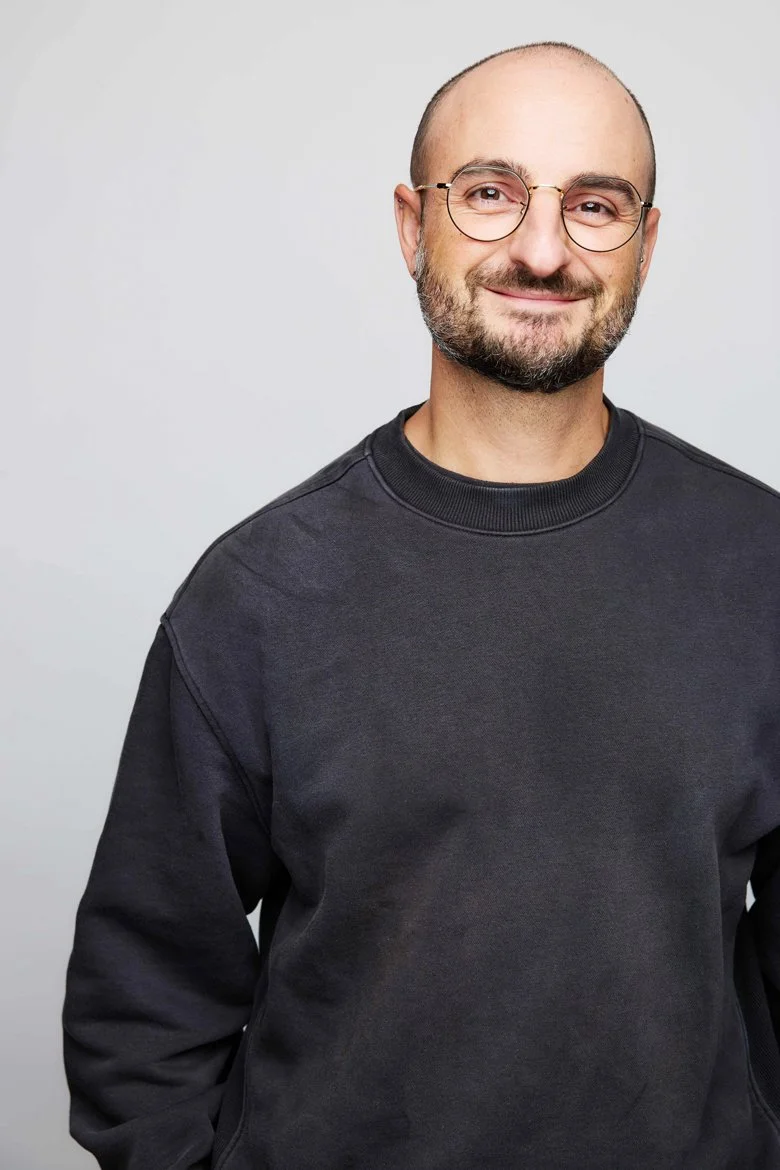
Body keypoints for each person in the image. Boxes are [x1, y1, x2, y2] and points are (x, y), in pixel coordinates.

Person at [62, 40, 780, 1170]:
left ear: (645, 244)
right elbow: (142, 1000)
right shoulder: (258, 595)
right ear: (412, 226)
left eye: (594, 205)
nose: (542, 249)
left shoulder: (760, 567)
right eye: (489, 193)